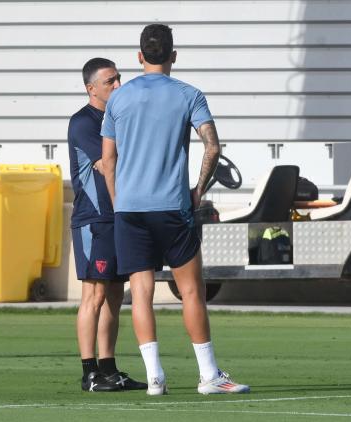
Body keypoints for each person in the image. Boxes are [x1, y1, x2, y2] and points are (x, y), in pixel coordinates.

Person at [100, 24, 250, 395]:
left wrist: (120, 204)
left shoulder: (119, 98)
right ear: (174, 56)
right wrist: (198, 190)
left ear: (139, 56)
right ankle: (209, 375)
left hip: (130, 211)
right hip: (172, 206)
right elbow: (212, 147)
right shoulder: (189, 95)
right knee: (191, 290)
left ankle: (154, 378)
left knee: (141, 290)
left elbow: (108, 158)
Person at [67, 57, 147, 392]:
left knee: (115, 294)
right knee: (95, 294)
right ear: (91, 88)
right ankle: (89, 373)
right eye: (109, 81)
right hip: (94, 220)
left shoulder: (120, 119)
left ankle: (109, 367)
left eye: (118, 79)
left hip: (119, 218)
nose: (117, 85)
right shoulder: (83, 122)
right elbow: (106, 165)